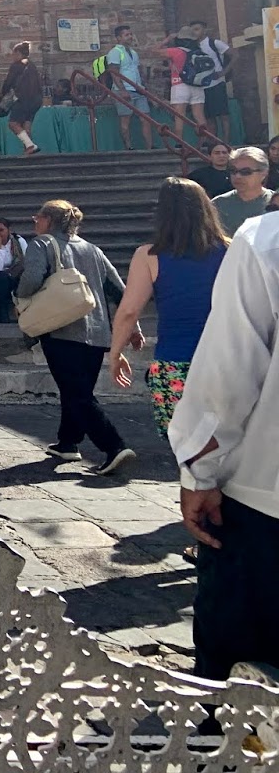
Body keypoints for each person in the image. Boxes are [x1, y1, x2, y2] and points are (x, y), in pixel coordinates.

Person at [170, 207, 279, 681]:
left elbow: (228, 376)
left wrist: (199, 472)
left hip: (264, 497)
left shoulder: (265, 240)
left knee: (237, 677)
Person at [16, 199, 139, 474]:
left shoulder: (42, 244)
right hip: (96, 331)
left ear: (49, 220)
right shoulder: (92, 249)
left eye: (38, 217)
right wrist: (134, 327)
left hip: (61, 328)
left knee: (77, 394)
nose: (35, 221)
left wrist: (20, 297)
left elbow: (32, 278)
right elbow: (118, 289)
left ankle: (114, 446)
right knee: (77, 390)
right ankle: (68, 442)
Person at [109, 178, 227, 442]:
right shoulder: (231, 249)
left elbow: (129, 311)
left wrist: (115, 353)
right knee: (227, 446)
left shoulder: (149, 255)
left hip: (174, 362)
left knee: (186, 448)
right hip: (225, 362)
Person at [104, 25, 153, 152]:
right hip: (124, 89)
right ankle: (128, 147)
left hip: (137, 88)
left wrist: (144, 87)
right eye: (126, 35)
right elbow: (114, 72)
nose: (130, 37)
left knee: (146, 118)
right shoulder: (115, 52)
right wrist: (122, 90)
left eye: (130, 34)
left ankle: (150, 147)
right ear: (118, 38)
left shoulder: (133, 53)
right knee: (125, 119)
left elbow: (137, 71)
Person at [187, 21, 234, 142]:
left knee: (223, 115)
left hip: (217, 84)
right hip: (201, 87)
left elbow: (234, 55)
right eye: (192, 30)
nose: (194, 32)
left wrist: (223, 72)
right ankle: (214, 143)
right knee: (209, 118)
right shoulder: (191, 46)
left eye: (197, 29)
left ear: (204, 30)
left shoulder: (214, 43)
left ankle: (226, 142)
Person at [159, 31, 210, 140]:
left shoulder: (176, 51)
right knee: (199, 116)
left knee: (179, 116)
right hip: (197, 86)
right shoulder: (199, 52)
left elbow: (154, 50)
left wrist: (168, 39)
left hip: (180, 85)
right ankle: (204, 142)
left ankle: (179, 143)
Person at [211, 146, 272, 236]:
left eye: (245, 172)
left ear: (264, 173)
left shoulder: (274, 203)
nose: (238, 176)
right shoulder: (217, 205)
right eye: (233, 171)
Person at [0, 41, 44, 155]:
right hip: (37, 100)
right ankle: (29, 153)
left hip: (23, 98)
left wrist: (2, 95)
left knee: (13, 124)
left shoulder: (17, 65)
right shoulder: (32, 65)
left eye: (13, 54)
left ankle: (30, 145)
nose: (12, 57)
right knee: (26, 125)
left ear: (18, 53)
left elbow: (8, 82)